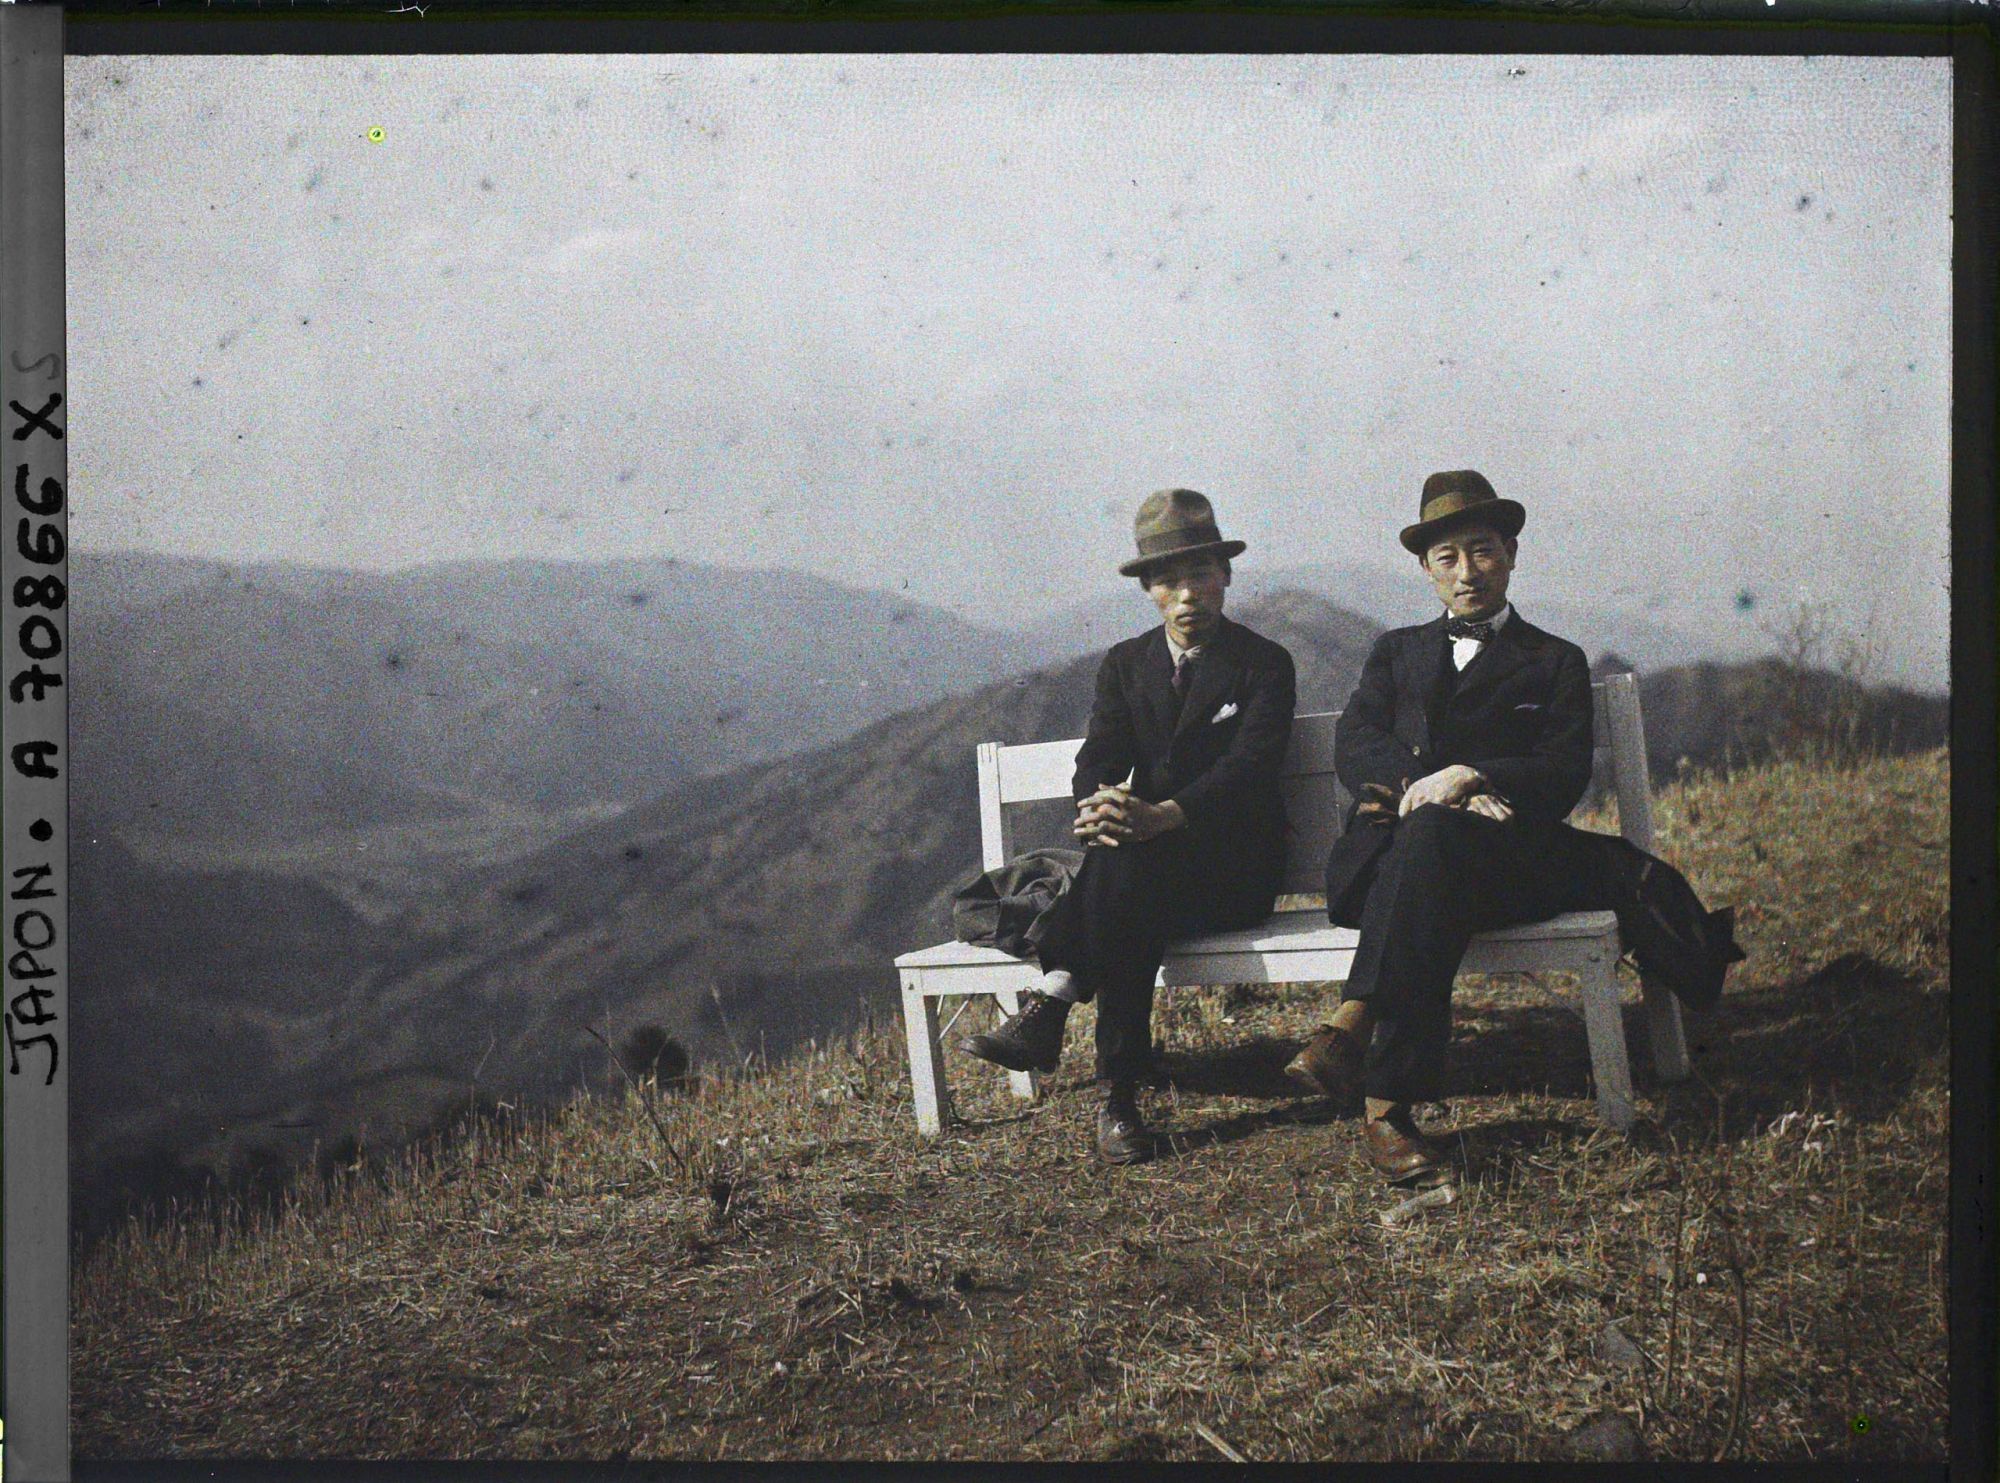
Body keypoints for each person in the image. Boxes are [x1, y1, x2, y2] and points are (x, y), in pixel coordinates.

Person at [1287, 469, 1741, 1187]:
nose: (1467, 572)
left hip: (1507, 867)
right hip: (1389, 861)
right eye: (1448, 558)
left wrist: (1472, 775)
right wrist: (1430, 790)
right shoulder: (1395, 652)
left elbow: (1563, 772)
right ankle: (1378, 1094)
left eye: (1483, 551)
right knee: (1429, 844)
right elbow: (1355, 742)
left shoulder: (1553, 660)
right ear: (1426, 569)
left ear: (1512, 553)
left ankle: (1364, 1058)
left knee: (1433, 849)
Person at [960, 488, 1297, 1164]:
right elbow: (1099, 757)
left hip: (1234, 869)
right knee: (1127, 868)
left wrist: (1166, 814)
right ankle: (1114, 1093)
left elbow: (1251, 766)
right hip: (1143, 869)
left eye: (1201, 574)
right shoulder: (1126, 664)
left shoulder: (1264, 664)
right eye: (1169, 579)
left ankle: (1060, 1007)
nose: (1188, 594)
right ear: (1148, 589)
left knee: (1127, 871)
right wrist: (1098, 805)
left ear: (1225, 576)